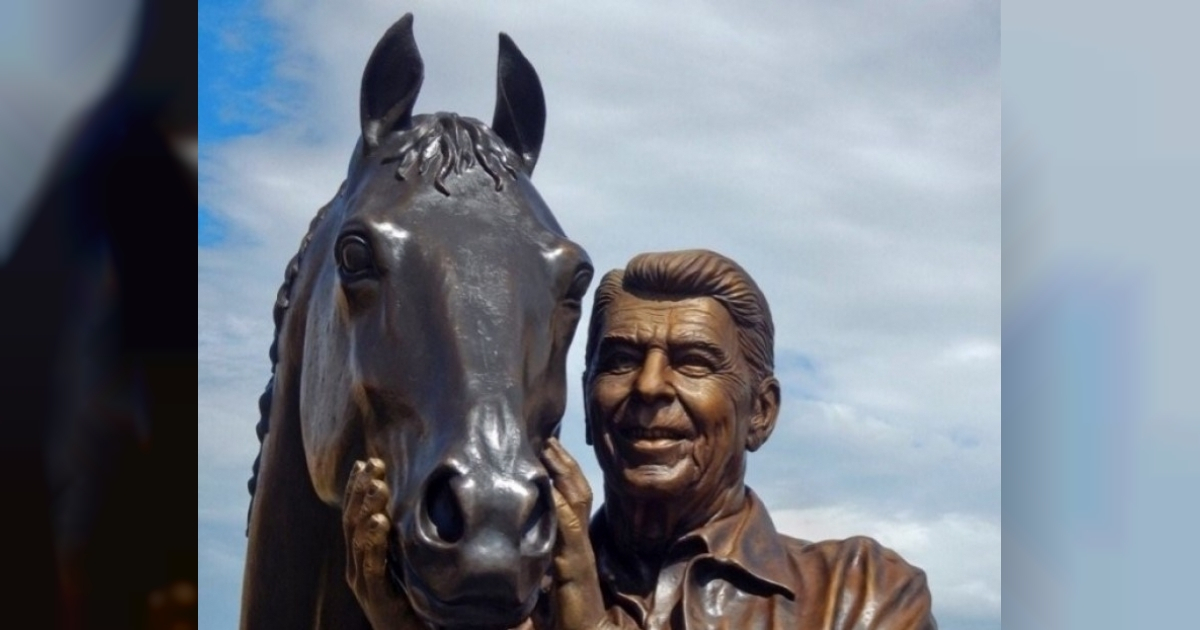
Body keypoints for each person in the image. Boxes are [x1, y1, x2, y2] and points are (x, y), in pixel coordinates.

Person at [345, 249, 936, 629]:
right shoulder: (507, 598)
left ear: (762, 412)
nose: (650, 385)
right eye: (622, 360)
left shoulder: (860, 594)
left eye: (694, 362)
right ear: (586, 400)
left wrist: (581, 605)